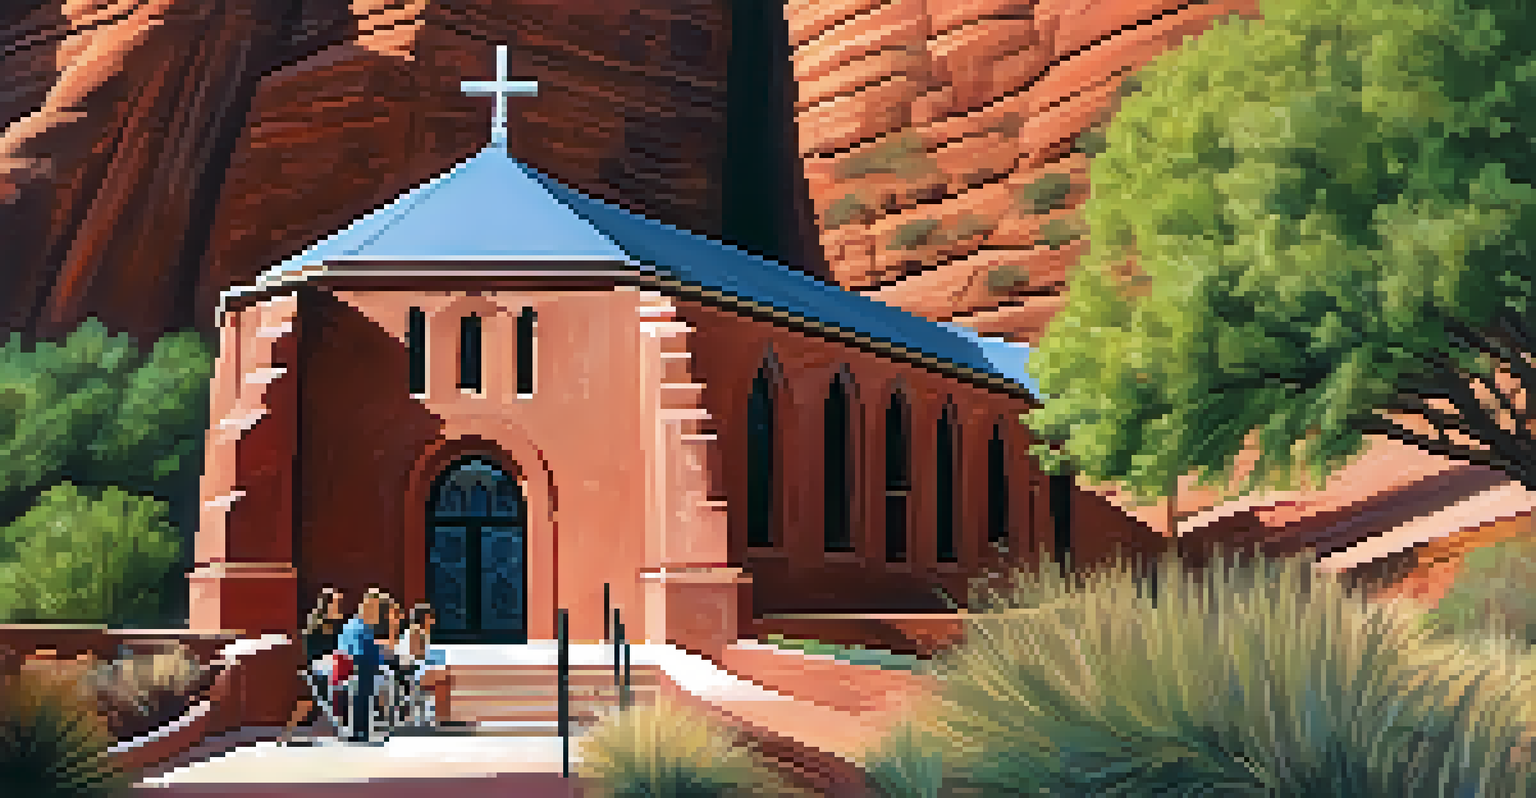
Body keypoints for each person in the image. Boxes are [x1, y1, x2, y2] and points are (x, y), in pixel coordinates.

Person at [280, 587, 345, 745]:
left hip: (333, 667)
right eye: (336, 603)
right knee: (308, 701)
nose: (339, 606)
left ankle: (340, 729)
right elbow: (312, 652)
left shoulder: (338, 625)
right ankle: (286, 732)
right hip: (318, 666)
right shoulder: (316, 625)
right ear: (327, 605)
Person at [338, 588, 387, 743]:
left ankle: (363, 730)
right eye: (372, 606)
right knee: (359, 698)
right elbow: (349, 649)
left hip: (367, 667)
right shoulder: (354, 625)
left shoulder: (366, 626)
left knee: (365, 698)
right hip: (358, 667)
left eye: (377, 607)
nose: (375, 611)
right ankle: (357, 731)